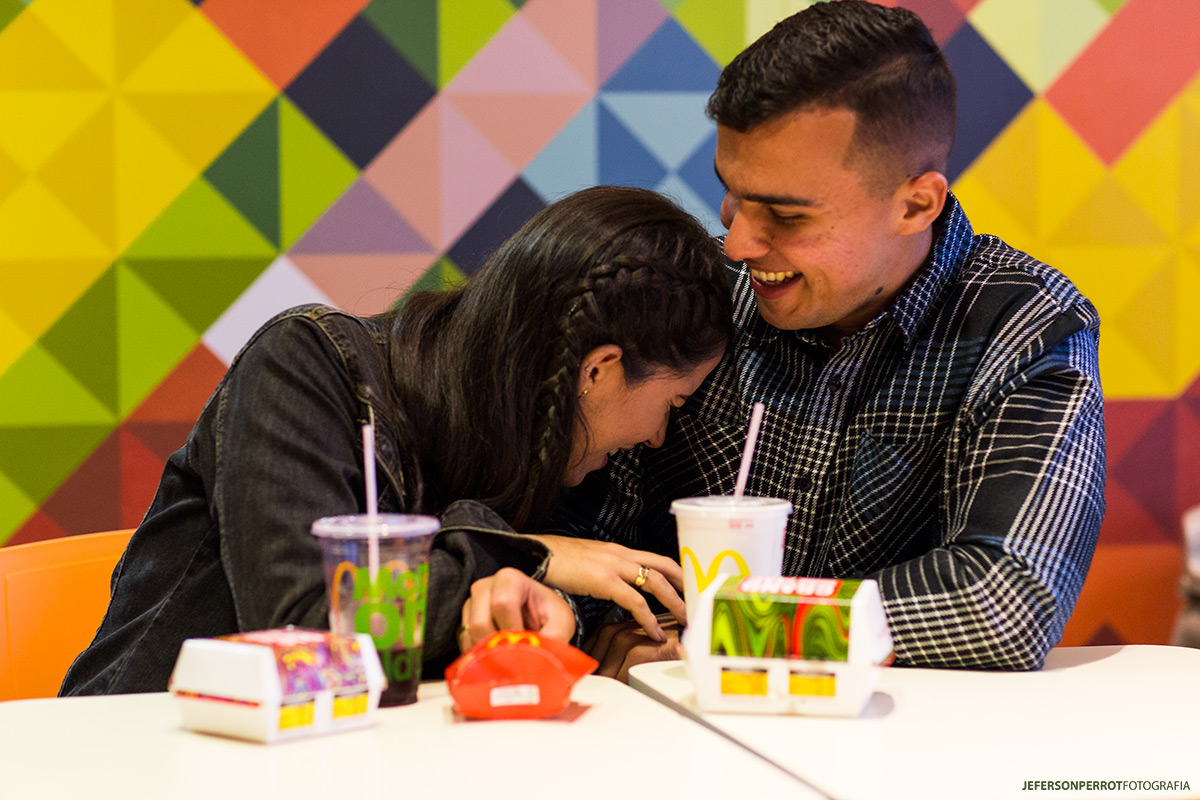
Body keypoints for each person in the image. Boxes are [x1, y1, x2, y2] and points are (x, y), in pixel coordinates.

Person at [548, 0, 1105, 674]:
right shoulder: (697, 298)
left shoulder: (1025, 326)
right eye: (731, 193)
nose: (738, 242)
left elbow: (1003, 601)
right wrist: (577, 613)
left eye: (786, 214)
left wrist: (737, 632)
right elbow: (583, 532)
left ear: (915, 205)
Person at [60, 185, 732, 695]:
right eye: (670, 403)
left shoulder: (543, 456)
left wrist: (598, 641)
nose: (657, 435)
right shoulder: (306, 366)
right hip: (148, 755)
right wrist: (524, 556)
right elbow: (313, 634)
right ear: (599, 369)